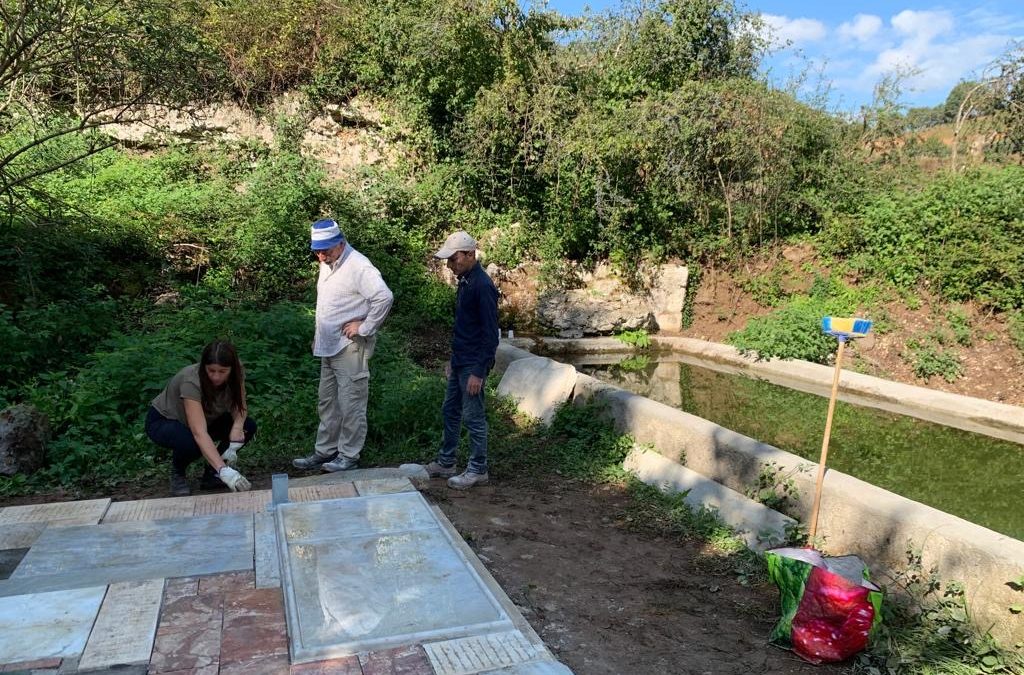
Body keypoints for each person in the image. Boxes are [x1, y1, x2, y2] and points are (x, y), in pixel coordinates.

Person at [293, 218, 394, 472]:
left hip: (350, 346)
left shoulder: (359, 266)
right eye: (317, 250)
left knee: (351, 401)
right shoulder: (327, 262)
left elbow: (384, 297)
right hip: (328, 345)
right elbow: (331, 302)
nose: (321, 256)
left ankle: (349, 455)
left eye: (325, 250)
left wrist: (364, 327)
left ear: (340, 242)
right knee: (327, 401)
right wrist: (319, 334)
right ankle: (324, 451)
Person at [425, 230, 499, 490]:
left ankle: (479, 469)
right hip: (460, 360)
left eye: (453, 259)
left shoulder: (483, 286)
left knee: (473, 416)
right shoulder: (466, 281)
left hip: (472, 364)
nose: (449, 265)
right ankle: (446, 462)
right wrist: (452, 360)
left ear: (470, 255)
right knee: (450, 410)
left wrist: (479, 371)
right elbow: (464, 328)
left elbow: (490, 336)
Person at [146, 340, 255, 496]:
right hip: (166, 420)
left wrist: (237, 426)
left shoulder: (238, 372)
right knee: (191, 443)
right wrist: (224, 471)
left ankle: (212, 474)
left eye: (222, 371)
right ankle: (178, 473)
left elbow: (240, 405)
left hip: (208, 418)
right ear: (204, 366)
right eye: (211, 370)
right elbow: (199, 432)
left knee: (247, 426)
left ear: (232, 369)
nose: (216, 377)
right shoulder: (191, 381)